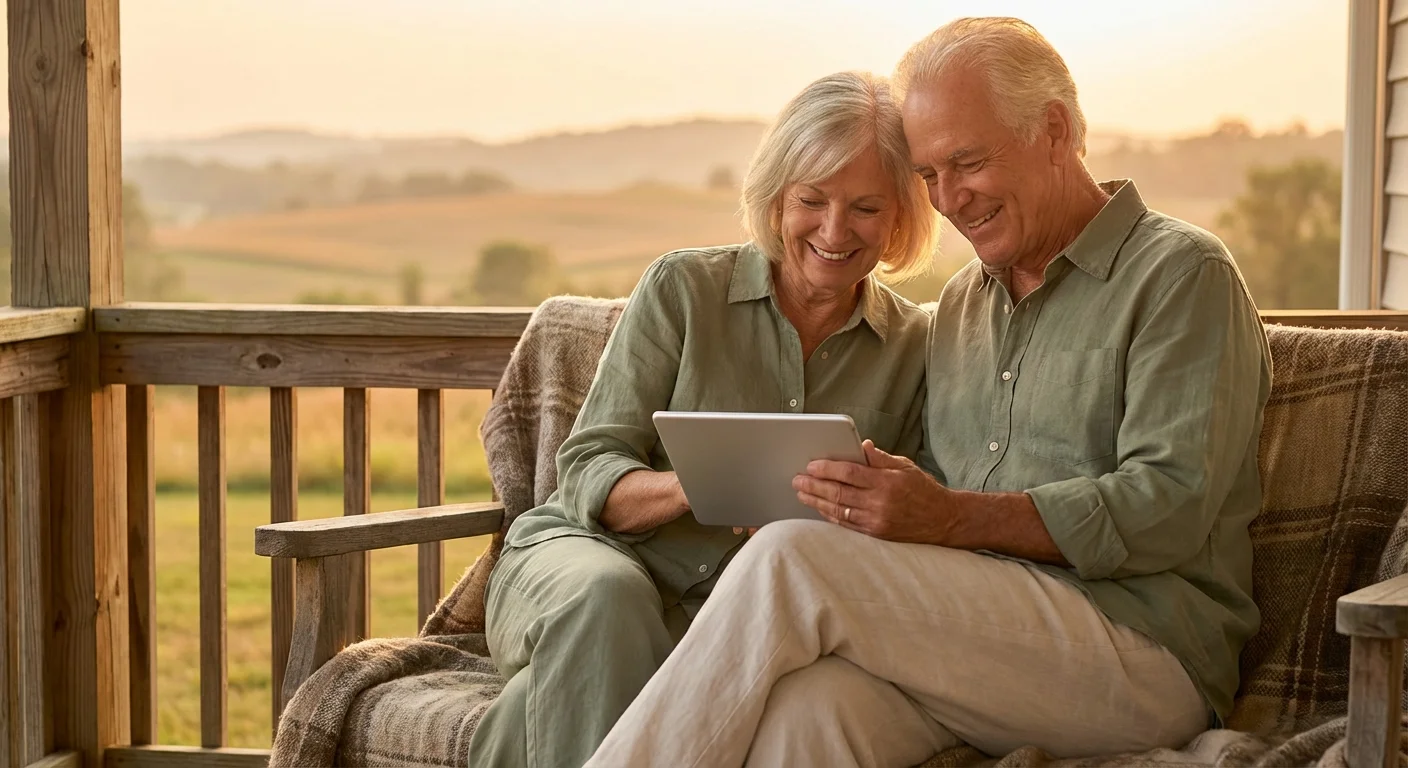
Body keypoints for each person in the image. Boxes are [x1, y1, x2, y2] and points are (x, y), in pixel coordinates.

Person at [585, 17, 1273, 768]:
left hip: (1143, 654)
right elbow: (931, 501)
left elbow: (1169, 506)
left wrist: (948, 518)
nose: (949, 198)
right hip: (971, 643)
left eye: (968, 162)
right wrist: (863, 504)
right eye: (928, 175)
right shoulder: (962, 307)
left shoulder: (1181, 276)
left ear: (1055, 130)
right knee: (805, 715)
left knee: (792, 559)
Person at [467, 70, 940, 767]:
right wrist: (707, 484)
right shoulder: (684, 289)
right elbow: (589, 469)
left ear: (901, 215)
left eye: (866, 208)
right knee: (609, 602)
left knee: (543, 704)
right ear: (777, 199)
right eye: (812, 200)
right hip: (580, 564)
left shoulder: (914, 345)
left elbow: (909, 513)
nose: (835, 231)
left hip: (728, 615)